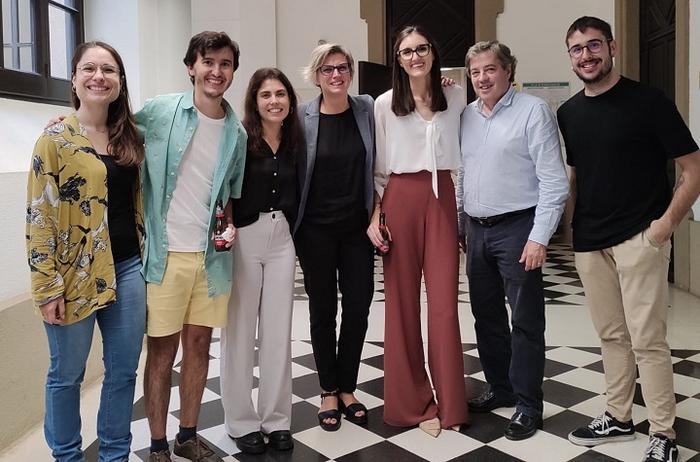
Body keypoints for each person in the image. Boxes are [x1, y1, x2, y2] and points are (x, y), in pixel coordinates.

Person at [557, 16, 700, 462]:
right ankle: (618, 417)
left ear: (612, 47)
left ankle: (663, 432)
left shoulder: (648, 101)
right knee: (611, 336)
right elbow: (576, 177)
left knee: (648, 339)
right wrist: (572, 231)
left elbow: (694, 169)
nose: (586, 55)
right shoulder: (568, 113)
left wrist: (663, 227)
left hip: (640, 236)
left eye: (594, 45)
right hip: (590, 242)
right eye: (577, 49)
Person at [26, 41, 146, 461]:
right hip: (73, 274)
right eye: (89, 69)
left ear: (119, 81)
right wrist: (46, 288)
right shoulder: (55, 139)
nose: (99, 76)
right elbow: (39, 215)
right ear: (74, 78)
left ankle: (115, 454)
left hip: (128, 270)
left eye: (109, 69)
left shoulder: (131, 134)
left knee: (123, 372)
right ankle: (68, 456)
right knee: (67, 375)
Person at [137, 31, 247, 462]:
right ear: (192, 67)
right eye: (208, 62)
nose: (216, 72)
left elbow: (228, 198)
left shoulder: (235, 132)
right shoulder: (162, 110)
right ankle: (158, 444)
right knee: (161, 352)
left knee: (199, 347)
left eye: (225, 64)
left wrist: (231, 228)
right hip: (165, 257)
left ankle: (187, 434)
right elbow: (114, 132)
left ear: (232, 72)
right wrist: (66, 121)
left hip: (211, 258)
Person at [458, 41, 569, 441]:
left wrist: (540, 237)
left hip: (518, 228)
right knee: (485, 315)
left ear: (508, 71)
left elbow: (554, 181)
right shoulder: (466, 115)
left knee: (524, 320)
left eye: (490, 70)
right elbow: (463, 174)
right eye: (475, 72)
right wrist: (459, 224)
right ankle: (500, 388)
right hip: (476, 228)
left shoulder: (533, 111)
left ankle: (527, 403)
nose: (482, 78)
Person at [368, 25, 467, 437]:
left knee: (444, 304)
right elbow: (377, 165)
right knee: (402, 304)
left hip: (442, 196)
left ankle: (451, 404)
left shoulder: (457, 95)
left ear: (433, 52)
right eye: (406, 51)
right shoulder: (385, 103)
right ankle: (412, 403)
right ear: (398, 59)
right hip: (399, 197)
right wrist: (376, 214)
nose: (415, 57)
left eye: (421, 48)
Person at [219, 68, 303, 454]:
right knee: (240, 331)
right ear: (254, 100)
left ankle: (276, 419)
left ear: (290, 99)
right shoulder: (239, 138)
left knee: (277, 331)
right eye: (266, 94)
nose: (274, 101)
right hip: (245, 238)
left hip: (282, 236)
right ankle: (240, 420)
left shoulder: (295, 139)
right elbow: (224, 187)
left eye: (281, 93)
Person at [294, 43, 375, 431]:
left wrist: (444, 84)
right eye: (327, 69)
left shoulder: (368, 109)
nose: (336, 75)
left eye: (342, 68)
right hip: (315, 231)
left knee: (358, 307)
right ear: (316, 75)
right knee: (323, 309)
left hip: (358, 229)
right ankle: (328, 388)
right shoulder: (302, 116)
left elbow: (410, 107)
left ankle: (348, 386)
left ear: (351, 72)